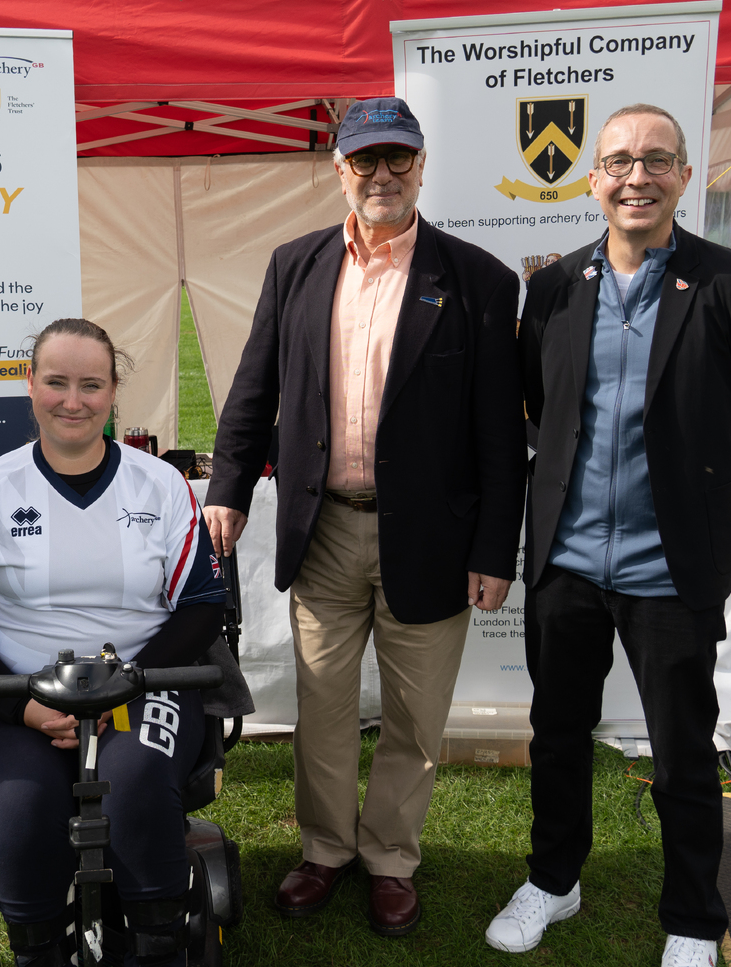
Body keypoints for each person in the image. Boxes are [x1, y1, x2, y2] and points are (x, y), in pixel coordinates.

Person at [485, 104, 731, 967]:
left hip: (671, 570)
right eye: (619, 161)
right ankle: (555, 879)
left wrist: (698, 476)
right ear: (593, 180)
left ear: (685, 176)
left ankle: (694, 917)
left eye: (657, 160)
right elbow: (543, 412)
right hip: (570, 563)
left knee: (682, 755)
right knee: (557, 733)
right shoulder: (551, 290)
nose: (637, 176)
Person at [204, 97, 525, 936]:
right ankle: (324, 848)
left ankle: (390, 856)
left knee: (416, 717)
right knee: (323, 704)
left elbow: (500, 430)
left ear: (422, 165)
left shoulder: (481, 280)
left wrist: (496, 544)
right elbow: (254, 386)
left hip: (432, 535)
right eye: (364, 159)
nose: (381, 174)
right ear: (339, 168)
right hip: (324, 529)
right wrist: (229, 485)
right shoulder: (295, 265)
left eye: (398, 158)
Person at [0, 318, 246, 967]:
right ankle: (39, 949)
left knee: (135, 784)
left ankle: (158, 943)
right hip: (20, 692)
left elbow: (204, 605)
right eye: (57, 381)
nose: (73, 399)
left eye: (91, 384)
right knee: (21, 805)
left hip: (146, 681)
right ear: (31, 386)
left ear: (113, 389)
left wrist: (128, 677)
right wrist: (26, 708)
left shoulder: (162, 486)